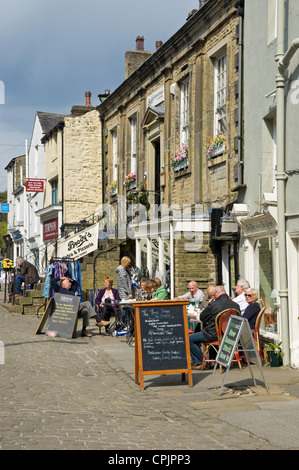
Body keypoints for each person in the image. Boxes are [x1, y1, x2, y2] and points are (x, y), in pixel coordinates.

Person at [189, 285, 241, 369]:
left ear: (216, 293)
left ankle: (199, 362)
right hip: (230, 335)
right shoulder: (236, 305)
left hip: (214, 334)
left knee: (189, 339)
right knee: (209, 333)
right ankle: (214, 359)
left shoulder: (213, 305)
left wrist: (209, 306)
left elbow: (202, 317)